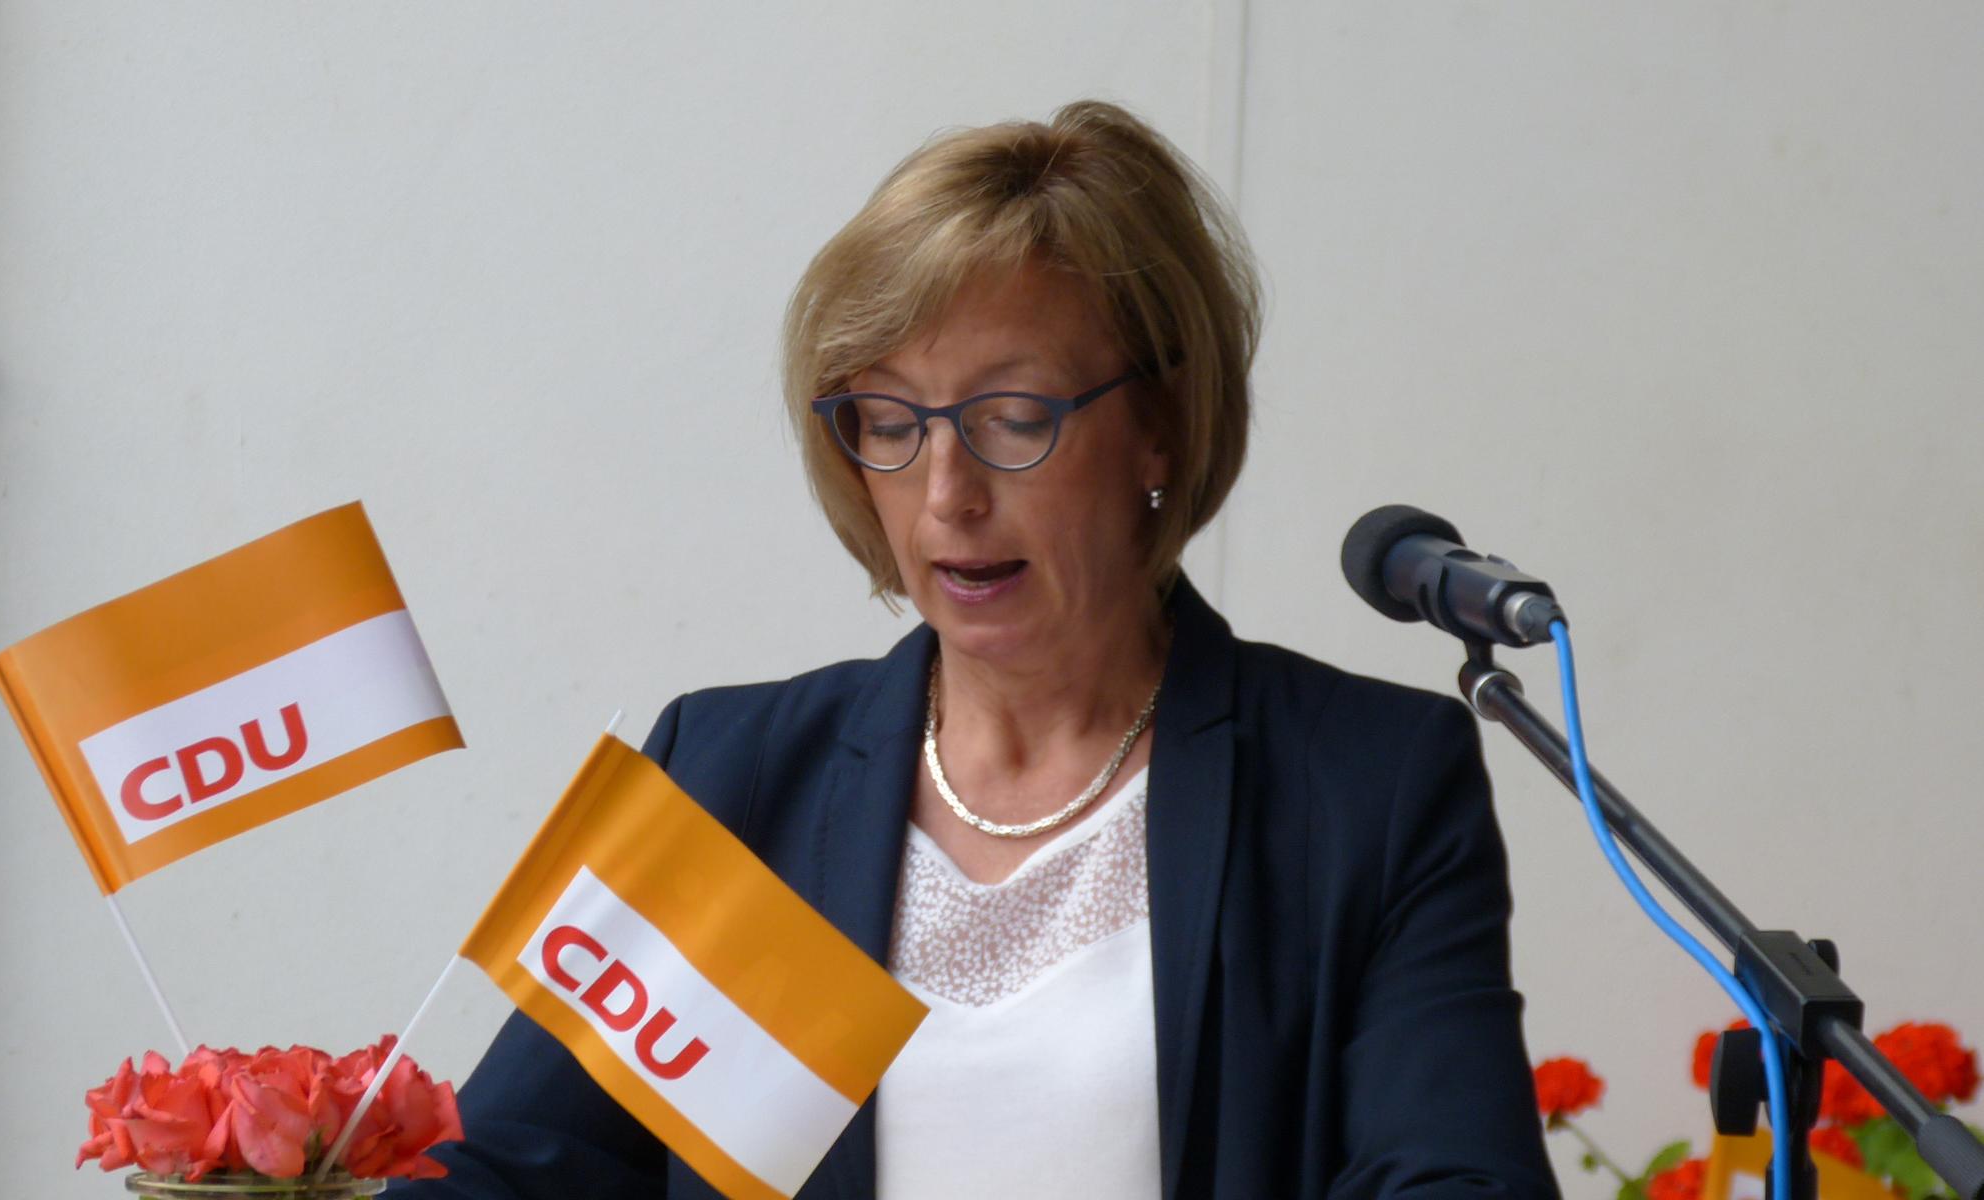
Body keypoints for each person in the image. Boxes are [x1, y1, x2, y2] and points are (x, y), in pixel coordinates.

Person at [396, 100, 1559, 1199]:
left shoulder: (1363, 787)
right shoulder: (725, 777)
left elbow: (1456, 1180)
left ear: (1157, 426)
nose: (946, 493)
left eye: (1011, 419)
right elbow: (501, 1171)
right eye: (891, 422)